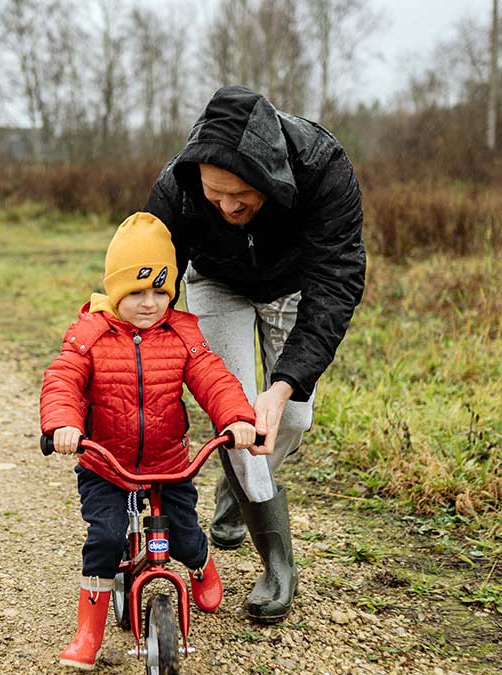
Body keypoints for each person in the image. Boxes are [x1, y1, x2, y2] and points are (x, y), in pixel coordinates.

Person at [144, 85, 366, 623]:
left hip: (291, 284)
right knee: (239, 416)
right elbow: (148, 277)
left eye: (240, 195)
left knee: (290, 417)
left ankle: (238, 485)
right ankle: (277, 566)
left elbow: (336, 281)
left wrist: (285, 382)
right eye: (215, 195)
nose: (226, 206)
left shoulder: (322, 167)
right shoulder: (177, 186)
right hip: (217, 283)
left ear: (270, 174)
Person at [40, 212, 261, 670]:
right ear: (116, 291)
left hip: (168, 463)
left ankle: (200, 565)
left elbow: (214, 379)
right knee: (104, 538)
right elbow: (63, 379)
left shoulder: (182, 334)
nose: (148, 303)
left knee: (182, 535)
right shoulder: (92, 335)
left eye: (160, 291)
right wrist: (63, 424)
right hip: (108, 466)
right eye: (136, 292)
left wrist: (238, 418)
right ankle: (89, 631)